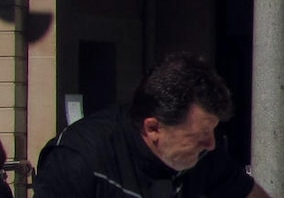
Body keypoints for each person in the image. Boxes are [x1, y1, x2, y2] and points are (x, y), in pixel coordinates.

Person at [34, 52, 271, 198]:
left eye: (212, 132)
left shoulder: (205, 157)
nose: (210, 144)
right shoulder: (79, 160)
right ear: (153, 129)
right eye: (199, 135)